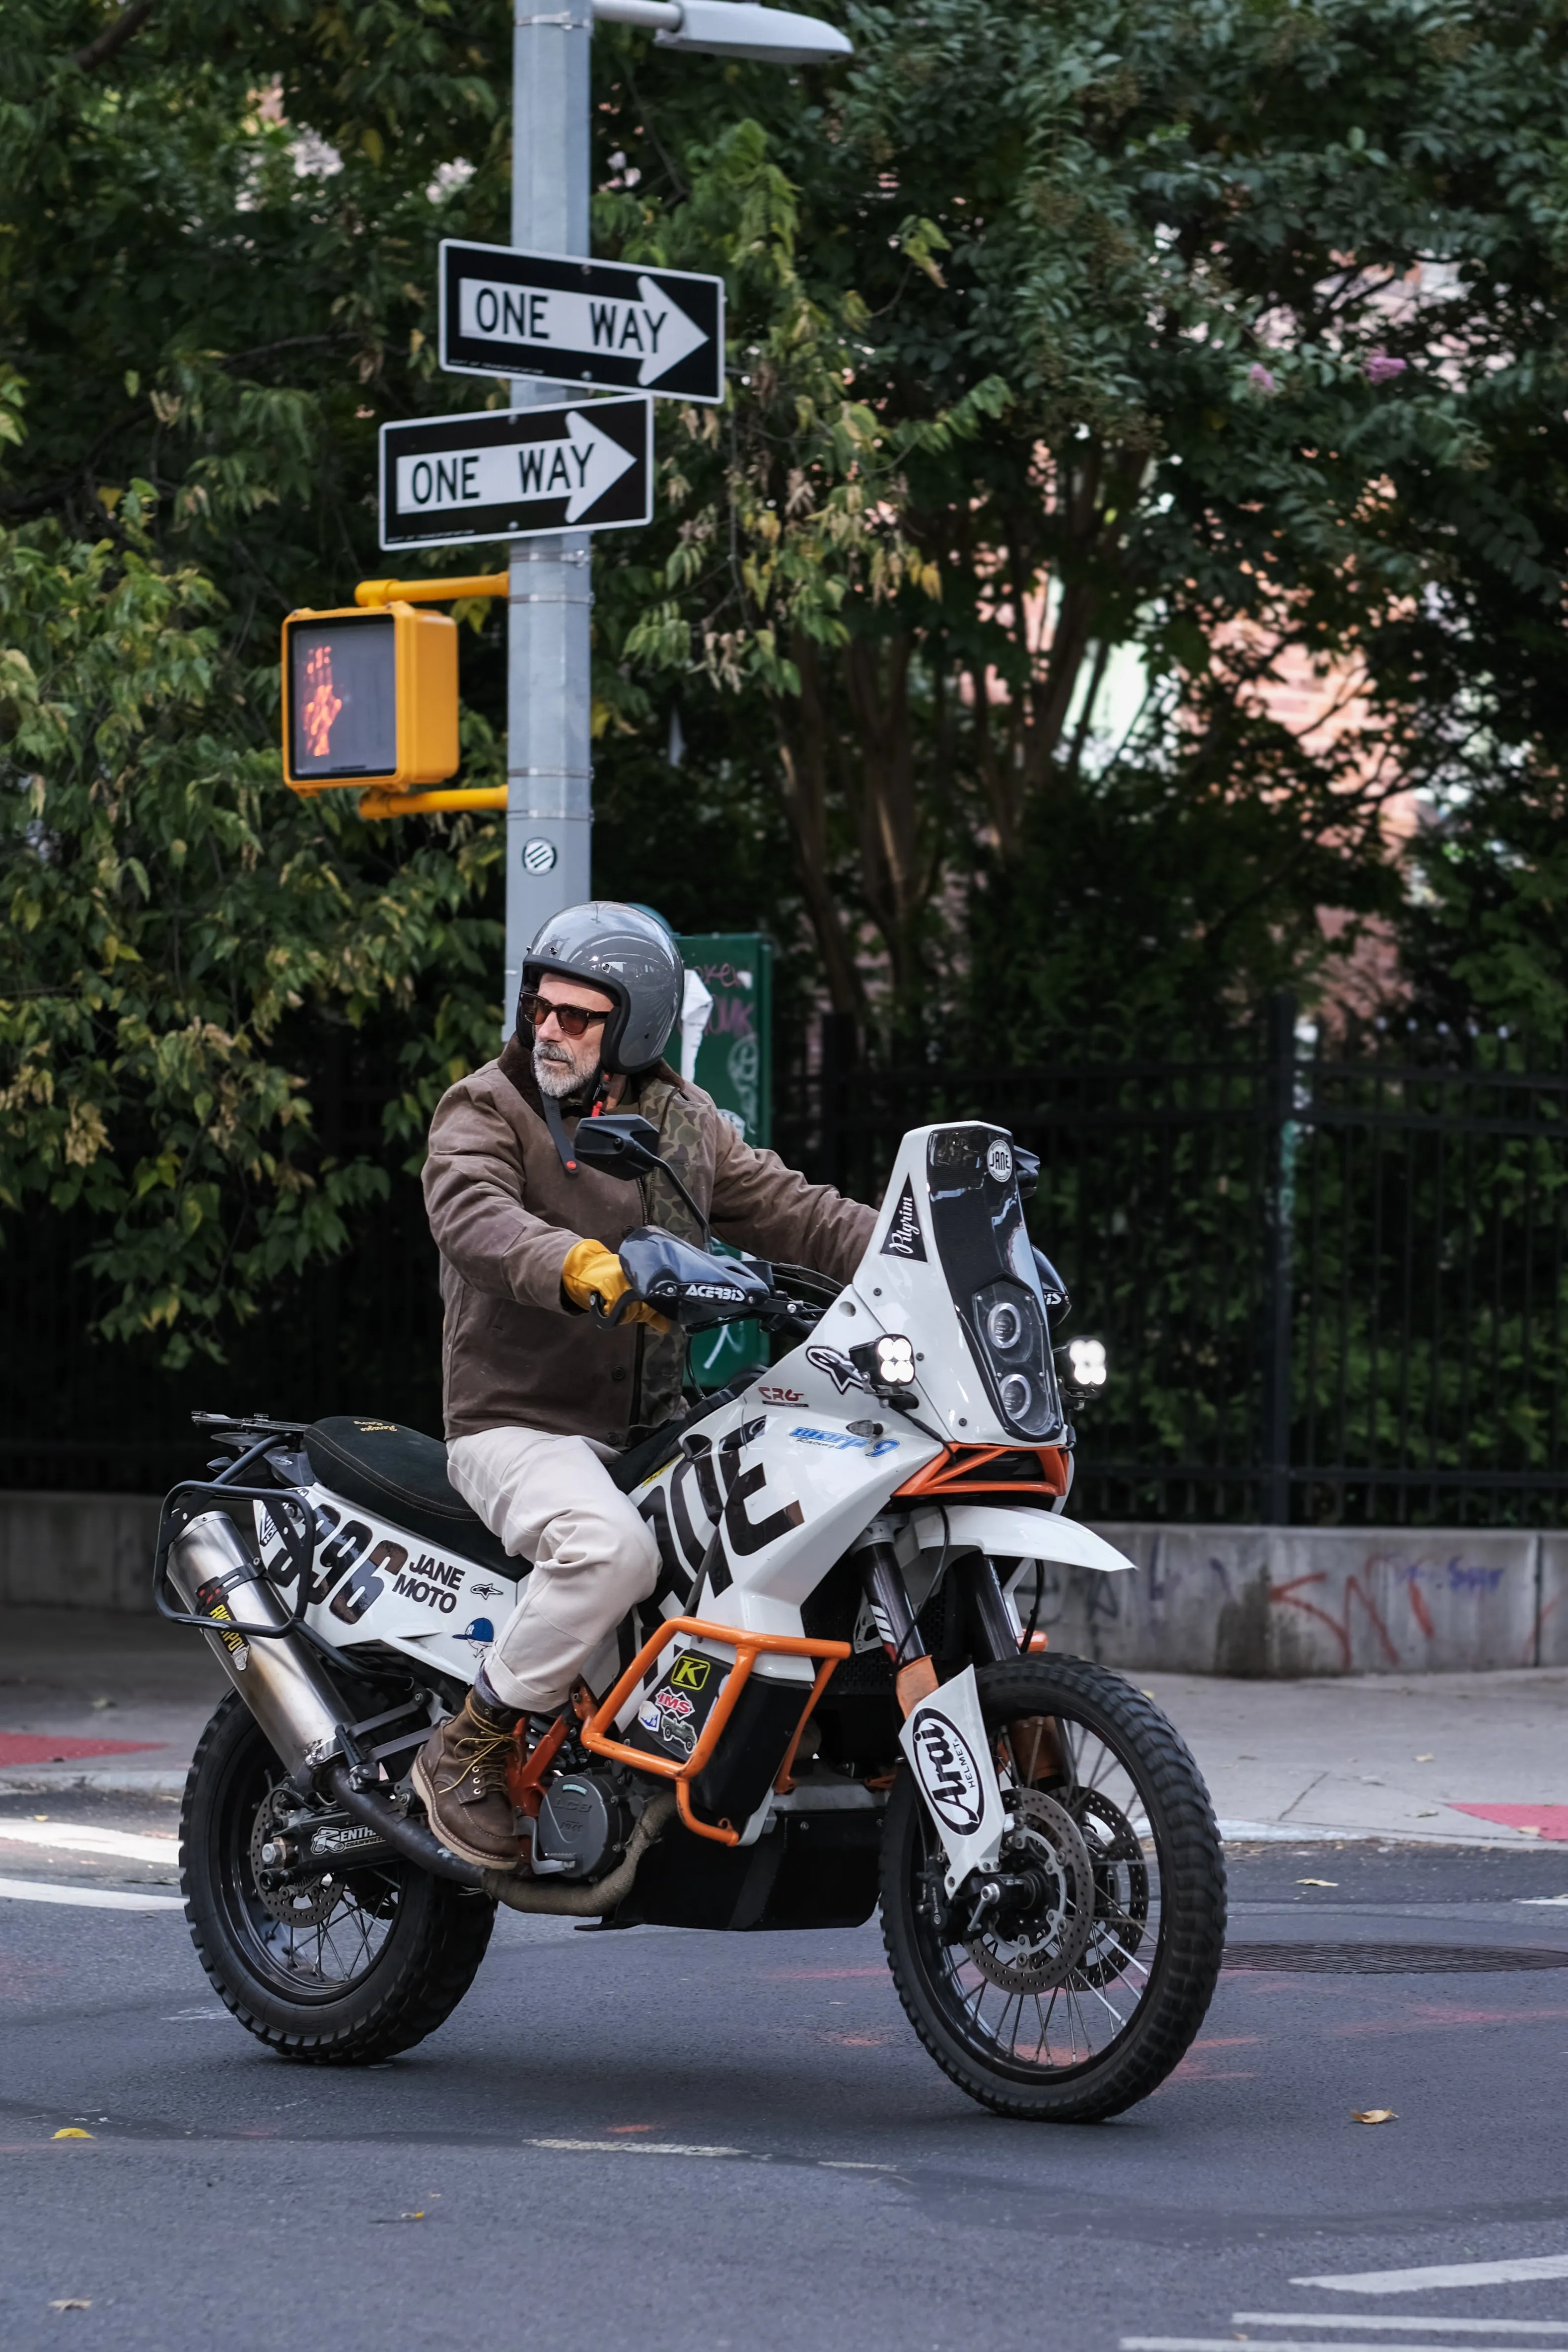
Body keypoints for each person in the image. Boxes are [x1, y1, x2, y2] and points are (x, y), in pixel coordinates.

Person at [411, 902, 875, 1869]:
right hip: (517, 1423)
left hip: (649, 1429)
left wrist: (924, 1252)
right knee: (609, 1552)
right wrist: (576, 1263)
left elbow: (795, 1212)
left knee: (794, 1517)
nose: (547, 1028)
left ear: (635, 1027)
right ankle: (466, 1750)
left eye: (577, 1016)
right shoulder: (485, 1107)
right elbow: (473, 1214)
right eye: (541, 1007)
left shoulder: (682, 1120)